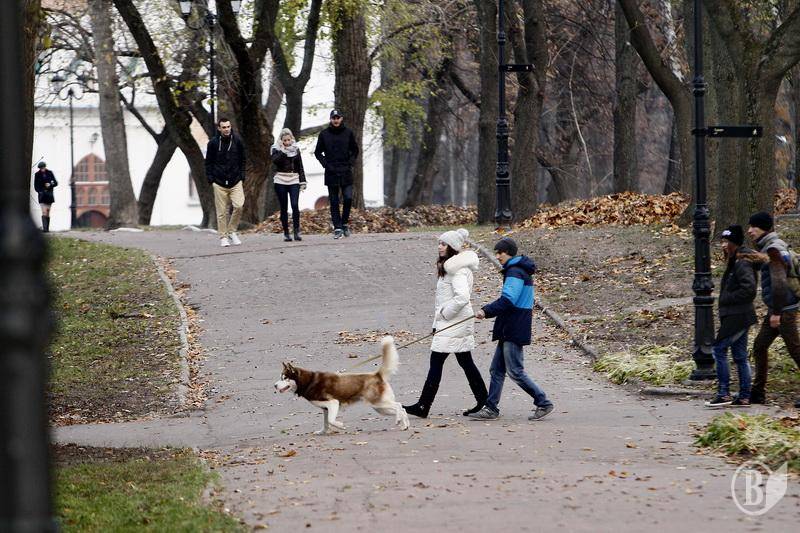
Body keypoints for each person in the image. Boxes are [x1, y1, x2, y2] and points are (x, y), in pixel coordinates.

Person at [403, 229, 488, 418]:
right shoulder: (449, 268)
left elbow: (462, 298)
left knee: (438, 362)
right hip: (451, 324)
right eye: (439, 243)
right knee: (465, 362)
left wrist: (444, 314)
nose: (439, 247)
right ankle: (484, 400)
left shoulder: (457, 270)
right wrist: (437, 323)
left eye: (443, 244)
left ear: (452, 247)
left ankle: (423, 405)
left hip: (454, 323)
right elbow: (443, 300)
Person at [469, 237, 554, 421]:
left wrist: (486, 311)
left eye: (500, 253)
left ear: (508, 253)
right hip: (510, 327)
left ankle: (543, 401)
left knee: (515, 371)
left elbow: (508, 300)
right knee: (496, 370)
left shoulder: (515, 272)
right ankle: (491, 408)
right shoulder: (517, 270)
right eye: (496, 253)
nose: (497, 256)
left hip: (514, 327)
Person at [745, 211, 800, 407]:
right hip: (778, 309)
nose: (750, 230)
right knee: (759, 346)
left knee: (796, 350)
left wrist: (776, 313)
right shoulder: (772, 246)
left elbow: (779, 284)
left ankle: (758, 392)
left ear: (764, 229)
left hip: (783, 310)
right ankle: (757, 393)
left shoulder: (774, 249)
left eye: (754, 226)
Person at [705, 225, 757, 408]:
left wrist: (727, 298)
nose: (723, 245)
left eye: (726, 242)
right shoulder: (736, 260)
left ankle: (724, 393)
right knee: (740, 356)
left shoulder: (741, 262)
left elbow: (749, 289)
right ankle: (744, 396)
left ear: (734, 243)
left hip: (738, 315)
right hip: (739, 315)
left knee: (719, 349)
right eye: (723, 241)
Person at [314, 109, 359, 239]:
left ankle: (344, 223)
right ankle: (337, 227)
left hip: (345, 170)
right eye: (334, 118)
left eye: (338, 117)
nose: (336, 120)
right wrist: (325, 164)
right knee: (333, 201)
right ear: (330, 119)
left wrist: (350, 163)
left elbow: (355, 150)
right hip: (331, 171)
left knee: (348, 198)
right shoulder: (324, 134)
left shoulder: (348, 133)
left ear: (341, 118)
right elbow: (317, 152)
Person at [205, 117, 246, 248]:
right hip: (219, 182)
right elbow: (208, 162)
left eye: (228, 127)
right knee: (222, 212)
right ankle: (223, 237)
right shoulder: (213, 143)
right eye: (224, 127)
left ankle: (232, 231)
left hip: (235, 181)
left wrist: (242, 176)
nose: (227, 129)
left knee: (239, 206)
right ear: (219, 128)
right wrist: (211, 179)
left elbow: (243, 160)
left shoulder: (237, 141)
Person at [271, 128, 307, 242]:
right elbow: (275, 161)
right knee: (284, 207)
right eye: (285, 140)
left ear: (292, 139)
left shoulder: (296, 149)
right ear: (281, 141)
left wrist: (303, 181)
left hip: (294, 179)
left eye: (289, 140)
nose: (287, 142)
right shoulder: (276, 149)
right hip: (280, 179)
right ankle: (286, 232)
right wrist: (283, 150)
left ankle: (296, 231)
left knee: (295, 205)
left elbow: (300, 166)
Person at [33, 161, 58, 232]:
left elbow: (56, 183)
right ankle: (45, 229)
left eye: (43, 168)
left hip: (49, 195)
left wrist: (50, 184)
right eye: (41, 168)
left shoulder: (50, 173)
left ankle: (47, 228)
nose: (42, 169)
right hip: (42, 196)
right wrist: (40, 191)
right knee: (44, 212)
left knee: (47, 212)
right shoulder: (37, 175)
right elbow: (36, 186)